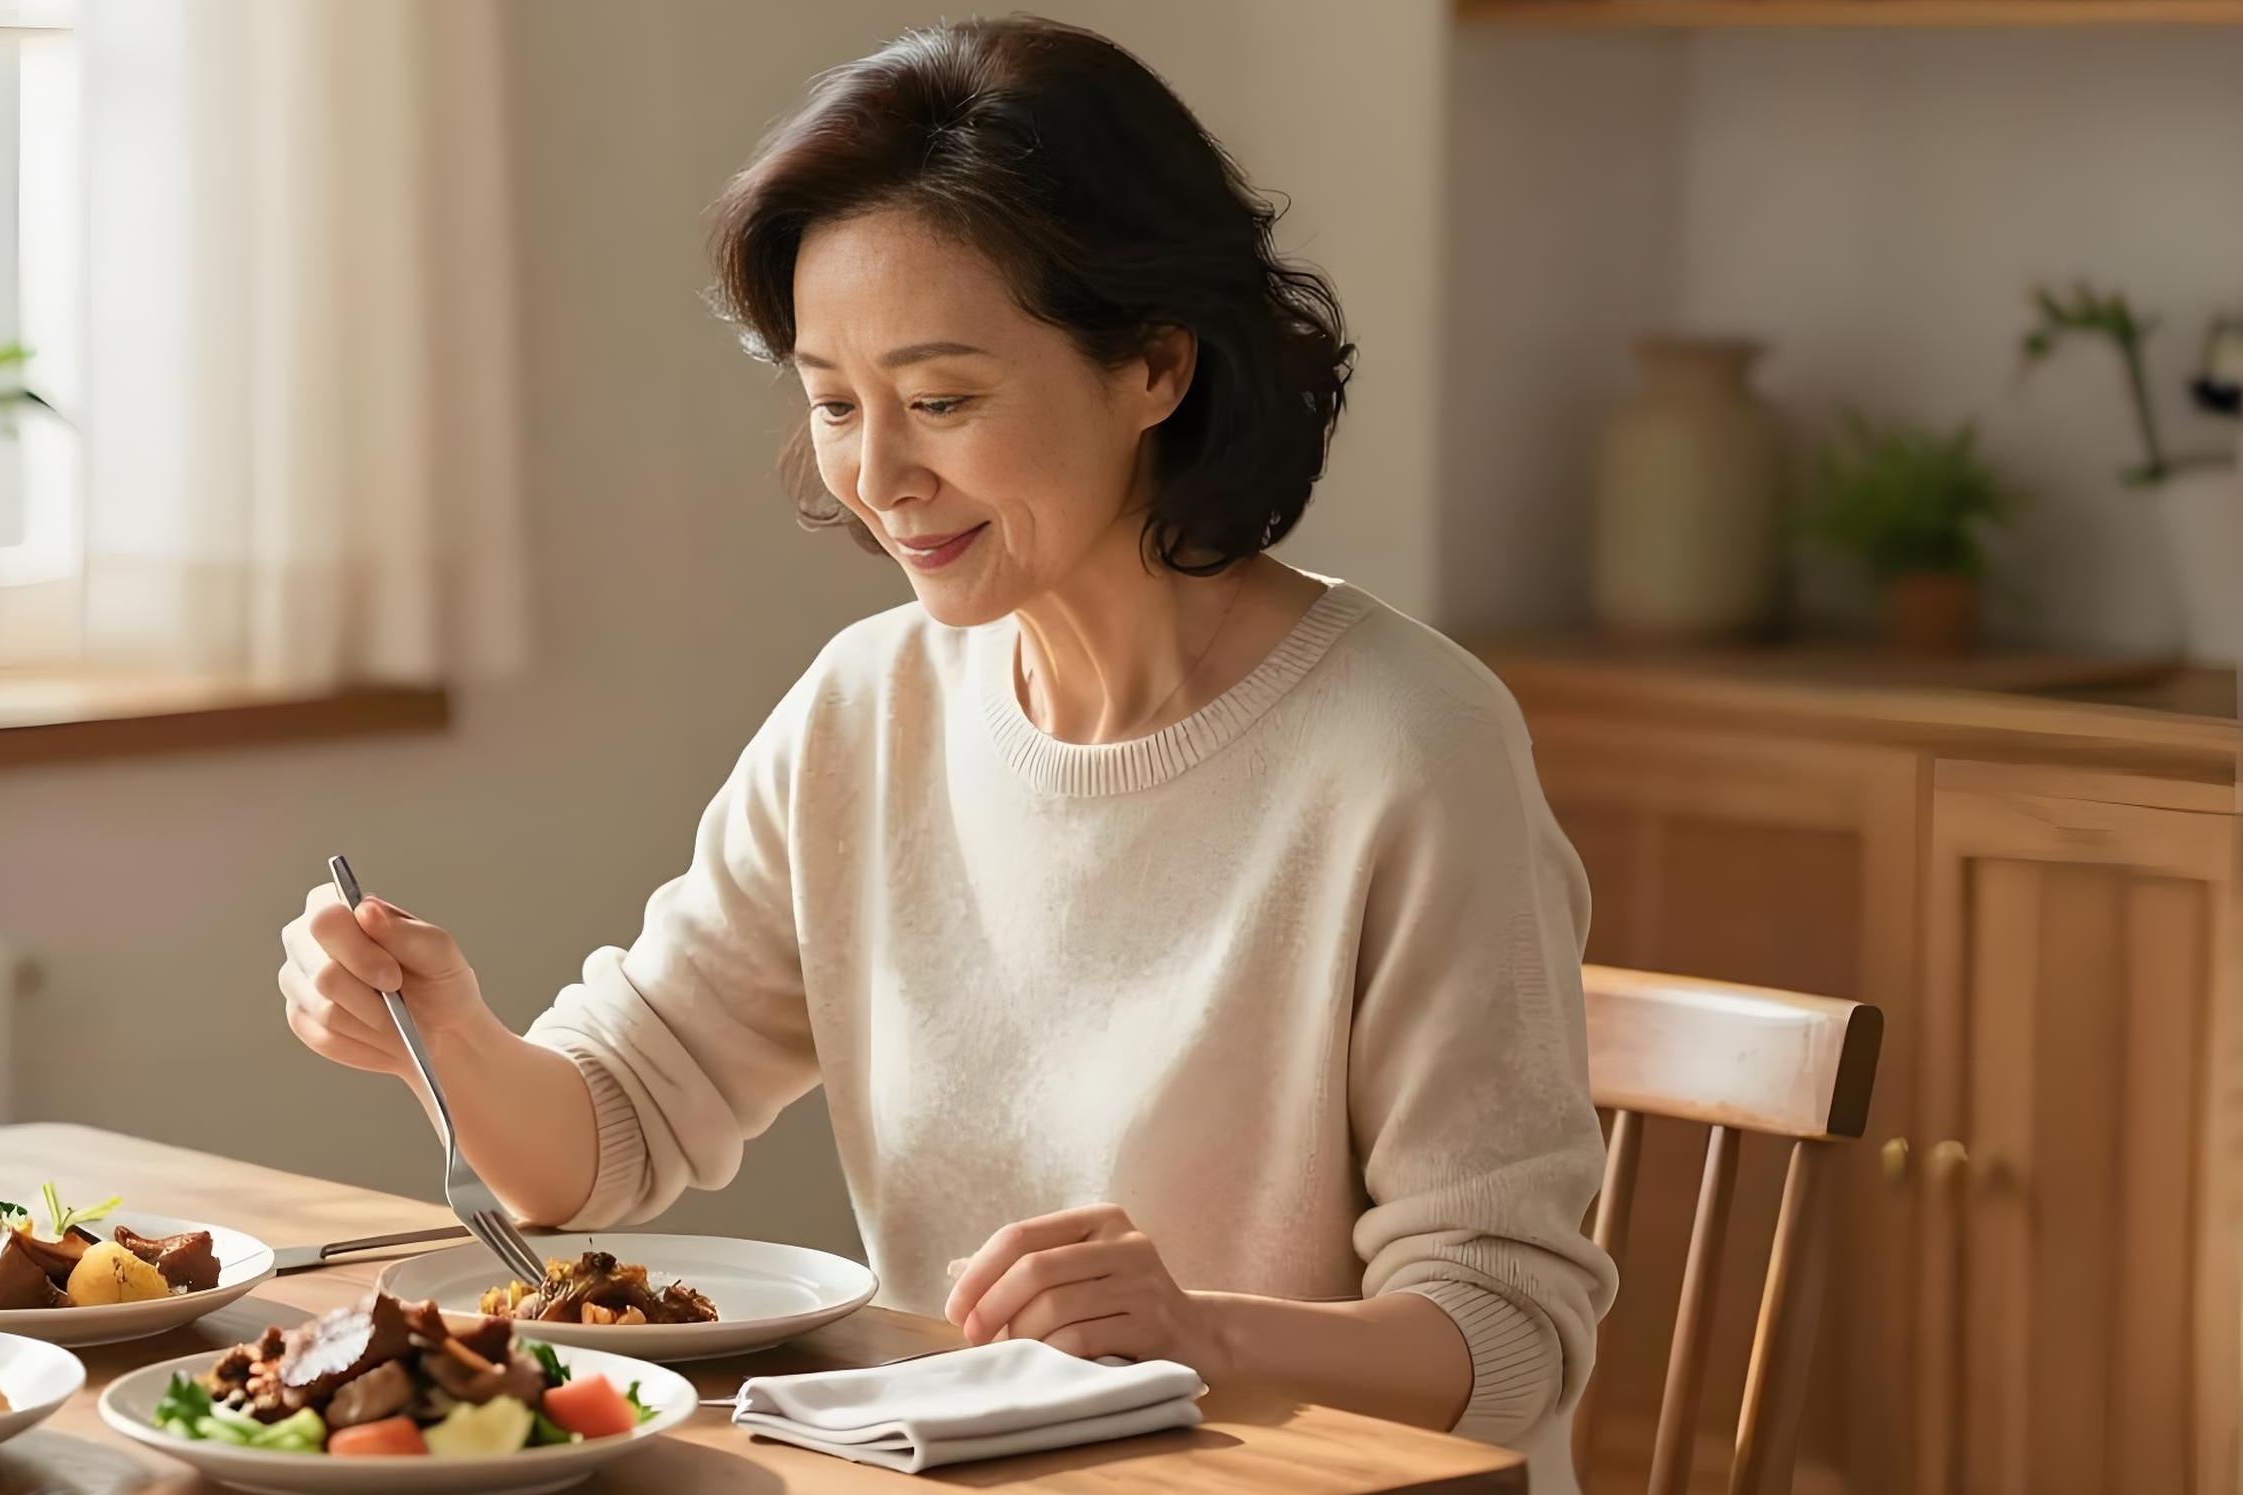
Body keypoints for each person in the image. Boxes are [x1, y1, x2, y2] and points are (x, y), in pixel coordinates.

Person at [277, 15, 1614, 1487]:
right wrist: (447, 1038)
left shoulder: (1406, 745)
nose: (879, 478)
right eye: (835, 404)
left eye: (943, 401)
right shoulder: (871, 709)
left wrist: (1206, 1334)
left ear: (1155, 364)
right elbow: (613, 1133)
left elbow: (1510, 1333)